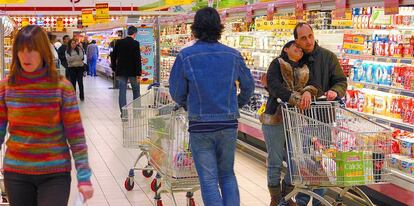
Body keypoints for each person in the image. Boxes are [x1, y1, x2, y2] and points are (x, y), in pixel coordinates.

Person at [169, 7, 255, 206]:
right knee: (227, 174)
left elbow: (176, 92)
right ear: (219, 28)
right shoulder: (233, 55)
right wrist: (236, 105)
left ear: (195, 29)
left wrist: (187, 104)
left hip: (200, 126)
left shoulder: (186, 56)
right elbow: (249, 86)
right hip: (228, 125)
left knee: (208, 180)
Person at [0, 25, 93, 206]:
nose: (26, 56)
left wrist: (84, 177)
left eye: (32, 50)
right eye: (21, 50)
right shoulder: (6, 87)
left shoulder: (61, 87)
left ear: (43, 51)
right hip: (17, 173)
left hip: (55, 173)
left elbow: (76, 137)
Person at [293, 22, 347, 206]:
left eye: (310, 36)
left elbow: (340, 81)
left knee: (322, 163)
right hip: (299, 119)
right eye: (303, 38)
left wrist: (336, 91)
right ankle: (301, 200)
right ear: (296, 41)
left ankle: (319, 202)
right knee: (304, 162)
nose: (308, 41)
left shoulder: (328, 57)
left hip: (323, 118)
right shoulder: (294, 59)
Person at [261, 40, 320, 206]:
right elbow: (274, 86)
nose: (300, 51)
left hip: (296, 119)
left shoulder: (305, 67)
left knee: (296, 160)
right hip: (275, 117)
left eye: (302, 50)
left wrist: (308, 92)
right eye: (296, 47)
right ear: (286, 49)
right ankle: (275, 198)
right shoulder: (277, 64)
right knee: (275, 159)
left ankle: (286, 197)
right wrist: (294, 98)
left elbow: (315, 84)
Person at [112, 26, 141, 114]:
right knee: (136, 91)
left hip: (121, 71)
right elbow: (137, 59)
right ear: (135, 34)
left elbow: (113, 56)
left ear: (127, 32)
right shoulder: (135, 43)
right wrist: (138, 73)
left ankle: (124, 114)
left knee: (122, 92)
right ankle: (137, 113)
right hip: (133, 71)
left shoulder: (119, 42)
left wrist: (114, 68)